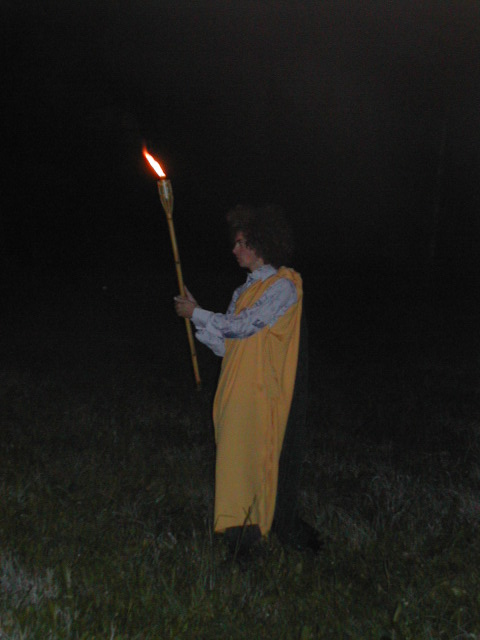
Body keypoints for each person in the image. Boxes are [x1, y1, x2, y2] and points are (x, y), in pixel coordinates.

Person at [174, 204, 320, 557]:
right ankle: (238, 531)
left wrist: (199, 313)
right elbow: (228, 345)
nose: (234, 249)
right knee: (234, 462)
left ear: (261, 244)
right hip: (234, 390)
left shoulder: (283, 286)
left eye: (242, 243)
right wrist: (196, 317)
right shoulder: (243, 292)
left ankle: (257, 531)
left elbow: (243, 327)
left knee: (254, 458)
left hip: (261, 392)